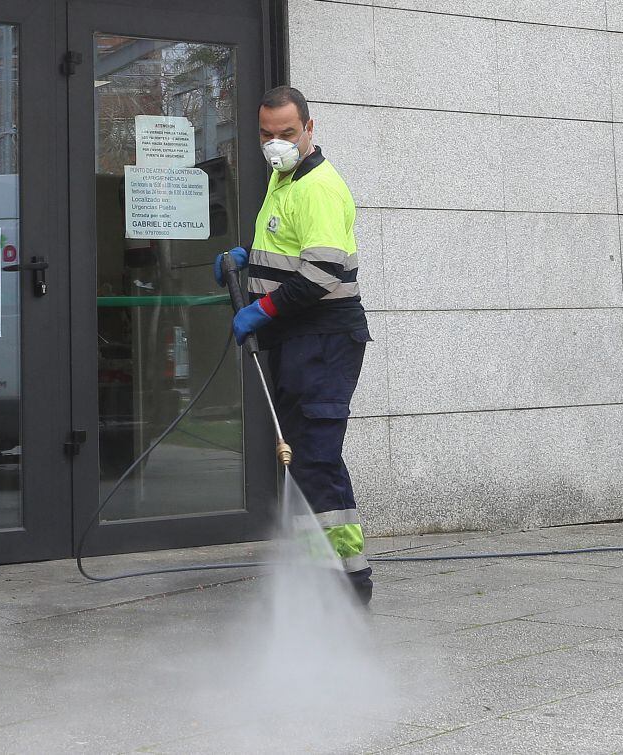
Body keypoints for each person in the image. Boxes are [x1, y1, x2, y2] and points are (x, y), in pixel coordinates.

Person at [213, 85, 373, 605]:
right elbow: (289, 253)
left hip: (323, 340)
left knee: (317, 460)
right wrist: (248, 261)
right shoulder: (283, 181)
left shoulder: (318, 187)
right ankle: (319, 572)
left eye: (286, 133)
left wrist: (259, 309)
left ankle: (349, 583)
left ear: (309, 129)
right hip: (298, 339)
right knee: (300, 460)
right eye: (266, 134)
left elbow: (322, 272)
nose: (275, 143)